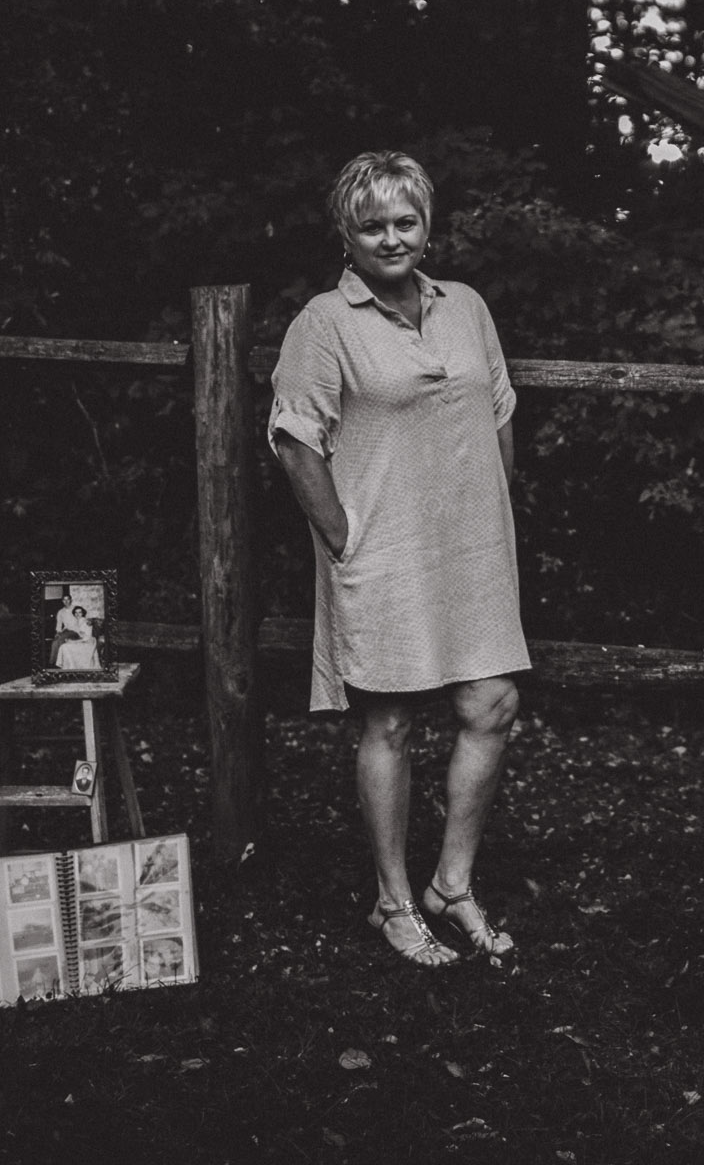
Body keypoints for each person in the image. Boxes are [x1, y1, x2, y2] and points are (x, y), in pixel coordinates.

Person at [270, 151, 528, 969]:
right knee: (389, 719)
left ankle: (451, 884)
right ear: (345, 235)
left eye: (405, 221)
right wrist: (343, 535)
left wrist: (493, 505)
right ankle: (392, 900)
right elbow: (293, 441)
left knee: (492, 704)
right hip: (381, 548)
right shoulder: (324, 323)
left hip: (473, 548)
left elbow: (498, 410)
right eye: (373, 225)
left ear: (427, 225)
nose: (392, 238)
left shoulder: (467, 308)